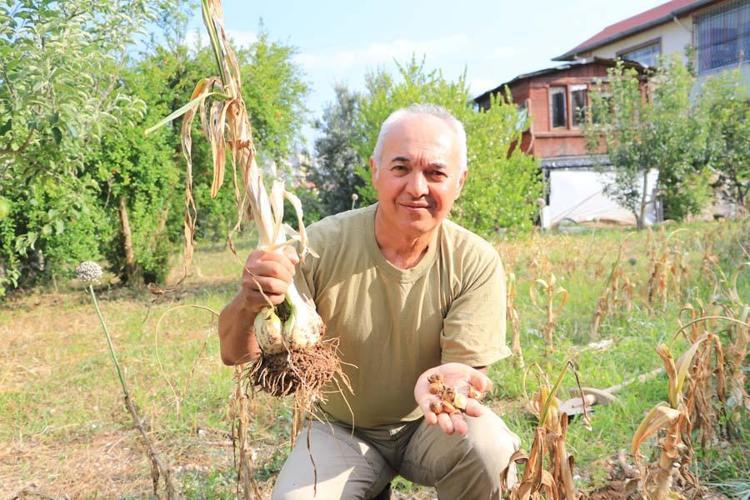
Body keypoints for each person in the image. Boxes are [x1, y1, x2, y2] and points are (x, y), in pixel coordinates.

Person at [218, 104, 520, 499]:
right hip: (341, 429)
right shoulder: (319, 247)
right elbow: (234, 353)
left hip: (429, 425)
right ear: (375, 171)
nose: (417, 187)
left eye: (436, 173)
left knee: (491, 448)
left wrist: (449, 382)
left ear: (459, 182)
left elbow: (463, 366)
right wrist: (249, 299)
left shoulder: (474, 260)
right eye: (400, 168)